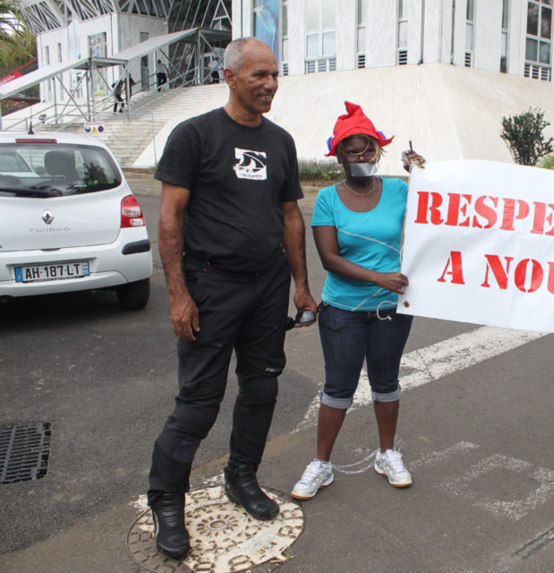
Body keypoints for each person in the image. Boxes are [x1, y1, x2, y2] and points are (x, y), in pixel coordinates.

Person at [147, 37, 316, 560]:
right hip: (211, 284)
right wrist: (178, 295)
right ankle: (166, 502)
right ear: (230, 77)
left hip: (267, 286)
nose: (270, 84)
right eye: (259, 75)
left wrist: (301, 285)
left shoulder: (280, 141)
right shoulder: (194, 136)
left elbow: (290, 215)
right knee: (198, 403)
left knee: (261, 389)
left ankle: (241, 476)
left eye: (275, 75)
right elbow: (170, 219)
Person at [290, 101, 424, 501]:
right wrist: (378, 277)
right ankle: (321, 464)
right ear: (339, 157)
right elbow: (329, 258)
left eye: (368, 151)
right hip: (342, 310)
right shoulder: (328, 199)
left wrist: (423, 173)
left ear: (378, 152)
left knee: (386, 383)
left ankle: (387, 454)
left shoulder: (399, 190)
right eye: (352, 153)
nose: (361, 159)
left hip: (390, 310)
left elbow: (442, 209)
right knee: (338, 387)